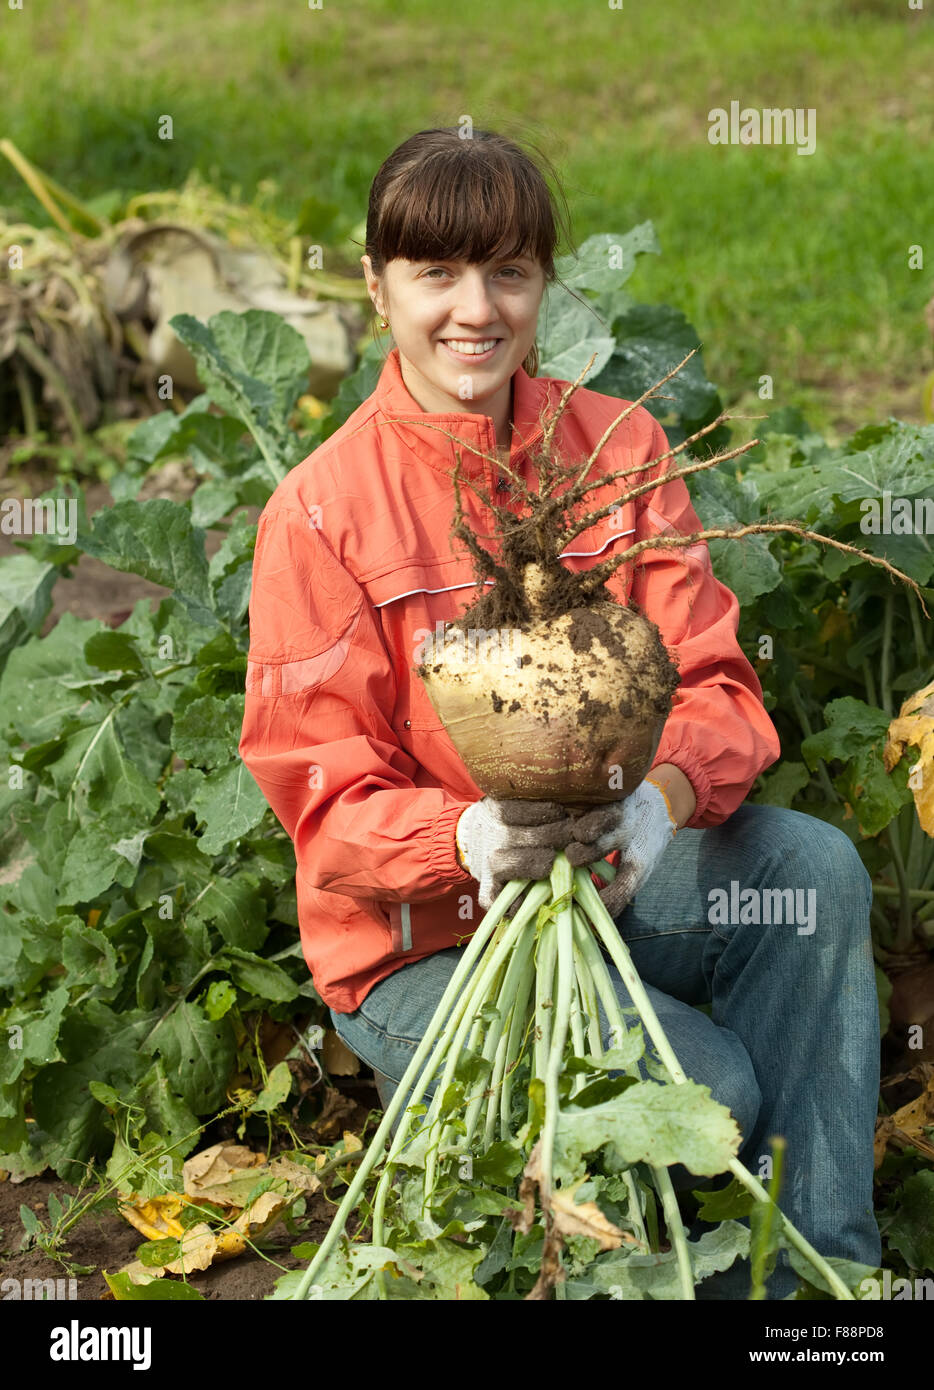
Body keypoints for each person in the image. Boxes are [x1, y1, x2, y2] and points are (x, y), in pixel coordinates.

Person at [238, 127, 881, 1300]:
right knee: (714, 1096)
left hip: (613, 868)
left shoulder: (616, 449)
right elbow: (322, 806)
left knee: (813, 869)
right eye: (435, 274)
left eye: (508, 272)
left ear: (544, 282)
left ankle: (817, 1291)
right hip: (424, 945)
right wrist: (465, 839)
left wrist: (656, 800)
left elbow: (720, 689)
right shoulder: (320, 513)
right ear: (376, 286)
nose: (474, 310)